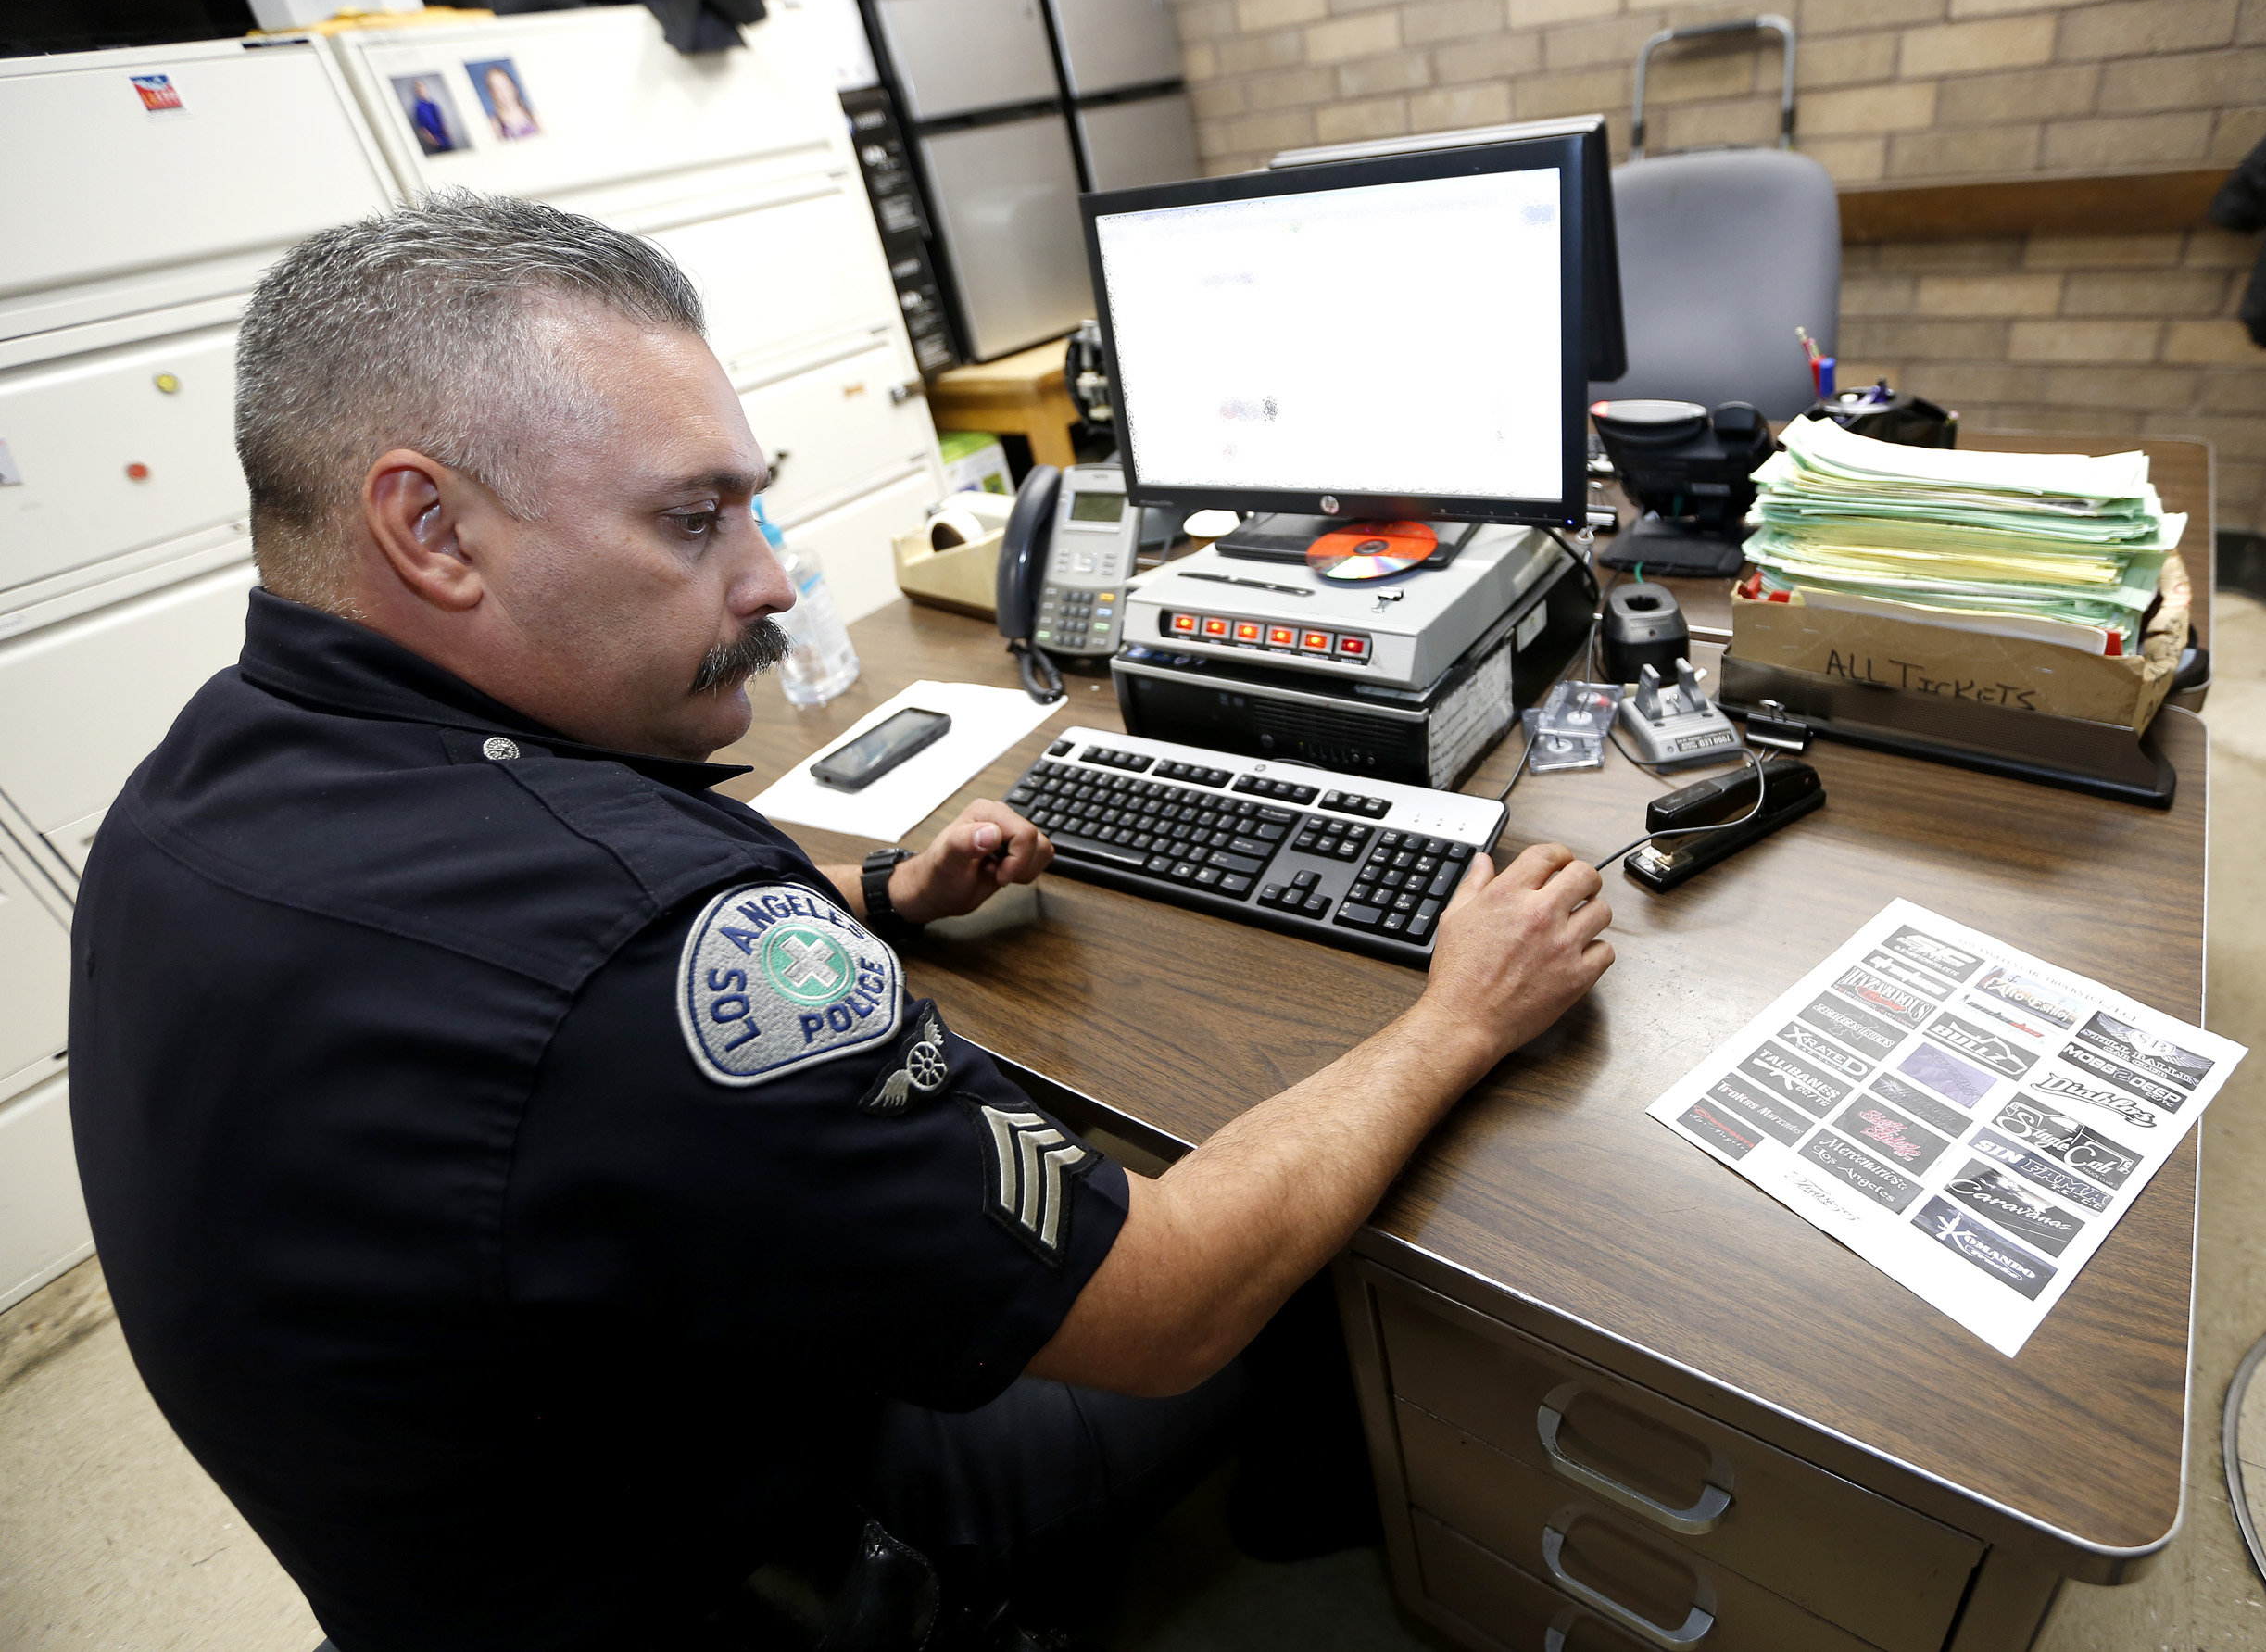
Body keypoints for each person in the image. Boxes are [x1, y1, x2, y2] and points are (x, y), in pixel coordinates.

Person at [68, 192, 1615, 1652]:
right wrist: (1459, 1015)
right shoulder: (640, 947)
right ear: (432, 531)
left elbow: (515, 991)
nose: (768, 580)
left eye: (754, 507)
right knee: (1292, 1267)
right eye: (691, 524)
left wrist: (876, 897)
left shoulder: (186, 796)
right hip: (769, 1570)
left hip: (456, 1561)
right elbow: (1166, 1298)